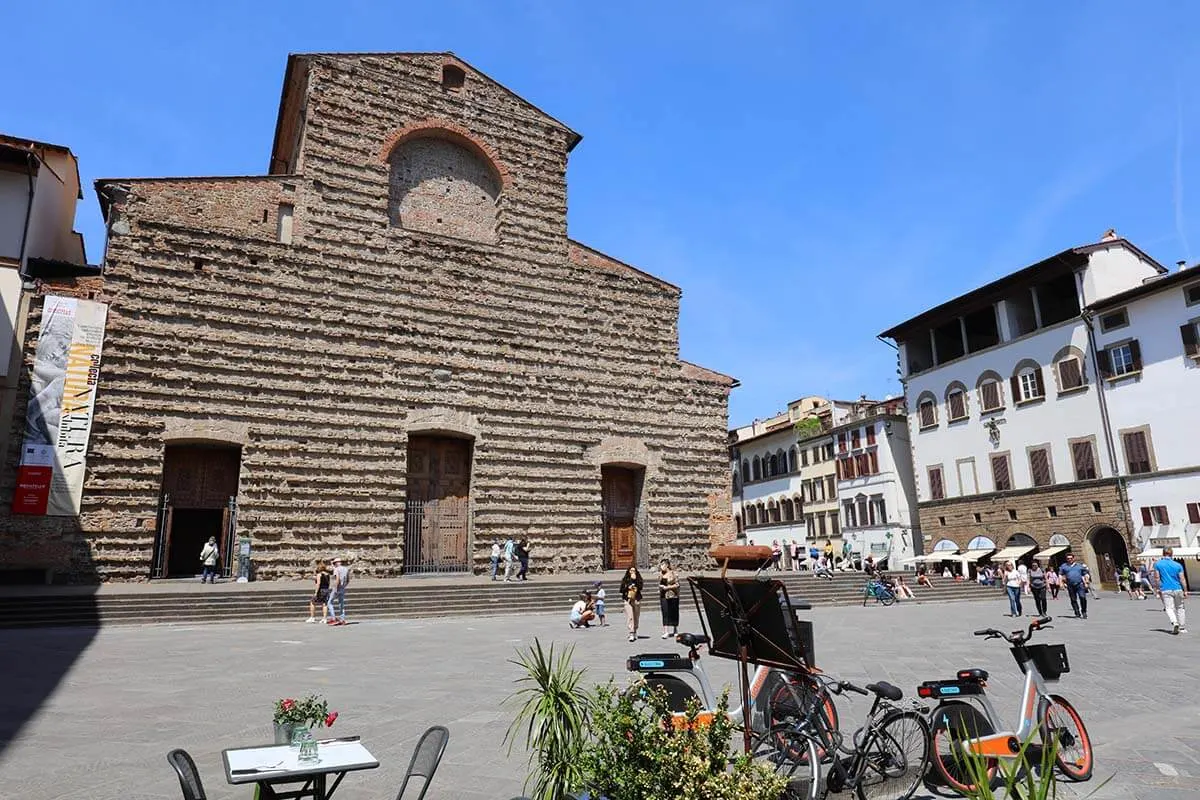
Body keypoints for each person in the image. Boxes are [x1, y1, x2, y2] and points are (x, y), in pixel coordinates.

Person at [1153, 548, 1188, 635]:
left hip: (1166, 589)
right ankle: (1182, 627)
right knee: (1180, 608)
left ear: (1163, 553)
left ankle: (1174, 622)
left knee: (1169, 608)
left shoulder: (1158, 564)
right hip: (1178, 588)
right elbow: (1182, 578)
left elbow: (1157, 578)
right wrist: (1185, 590)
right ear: (1172, 554)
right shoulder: (1178, 565)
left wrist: (1158, 589)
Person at [1058, 553, 1091, 619]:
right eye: (1068, 558)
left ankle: (1084, 612)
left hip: (1079, 584)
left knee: (1083, 597)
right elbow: (1060, 575)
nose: (1069, 559)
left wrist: (1086, 582)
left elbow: (1085, 574)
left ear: (1073, 558)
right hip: (1070, 585)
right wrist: (1060, 583)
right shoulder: (1064, 566)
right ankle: (1077, 612)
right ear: (1066, 559)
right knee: (1073, 599)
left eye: (1071, 558)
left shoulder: (1079, 565)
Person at [620, 566, 644, 643]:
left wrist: (635, 580)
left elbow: (641, 587)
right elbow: (621, 590)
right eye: (631, 570)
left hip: (636, 599)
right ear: (628, 571)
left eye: (634, 571)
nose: (632, 572)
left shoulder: (638, 579)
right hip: (628, 600)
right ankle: (631, 632)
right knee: (630, 616)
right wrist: (628, 586)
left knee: (636, 616)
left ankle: (635, 630)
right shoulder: (625, 580)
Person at [659, 559, 680, 639]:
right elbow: (660, 583)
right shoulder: (661, 574)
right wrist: (661, 587)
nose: (661, 567)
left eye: (662, 565)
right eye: (661, 565)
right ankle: (666, 631)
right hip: (663, 595)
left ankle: (675, 629)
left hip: (673, 595)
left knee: (674, 611)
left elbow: (677, 584)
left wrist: (668, 587)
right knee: (665, 612)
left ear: (667, 565)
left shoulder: (674, 573)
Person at [326, 556, 350, 625]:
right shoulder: (346, 569)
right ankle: (342, 619)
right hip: (342, 588)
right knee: (341, 604)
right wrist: (344, 586)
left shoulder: (336, 569)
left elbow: (337, 579)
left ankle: (333, 618)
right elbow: (348, 580)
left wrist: (336, 588)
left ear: (336, 563)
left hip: (337, 588)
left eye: (334, 563)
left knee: (329, 602)